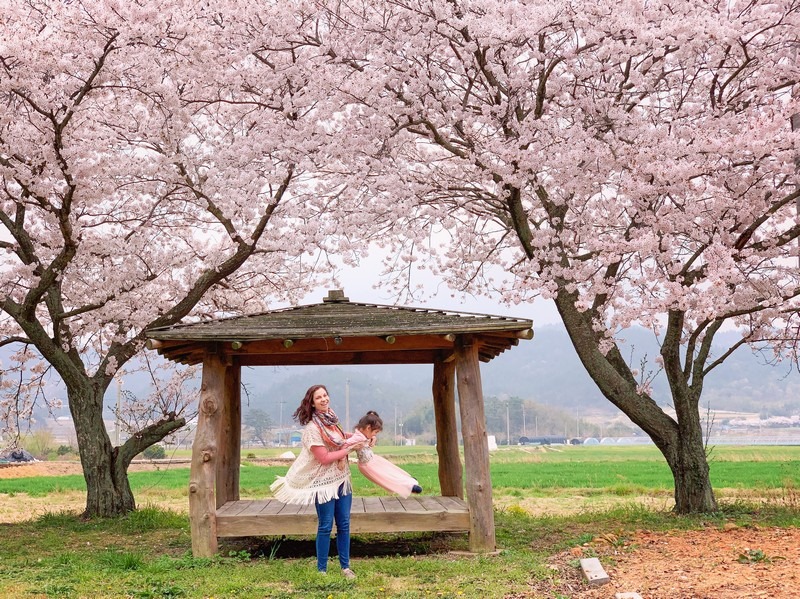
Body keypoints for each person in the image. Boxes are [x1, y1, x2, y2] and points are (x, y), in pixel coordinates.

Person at [270, 384, 364, 578]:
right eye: (319, 397)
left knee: (344, 524)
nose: (324, 399)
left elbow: (342, 438)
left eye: (325, 395)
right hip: (323, 484)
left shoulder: (332, 421)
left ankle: (345, 567)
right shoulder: (312, 429)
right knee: (325, 525)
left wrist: (362, 438)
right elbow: (324, 458)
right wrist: (348, 450)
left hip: (342, 479)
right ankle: (322, 570)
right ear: (312, 403)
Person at [344, 411, 423, 499]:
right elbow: (345, 444)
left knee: (390, 471)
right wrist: (342, 456)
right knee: (386, 477)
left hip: (372, 460)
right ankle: (407, 486)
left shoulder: (362, 434)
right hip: (367, 465)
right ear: (368, 428)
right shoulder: (358, 437)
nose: (375, 435)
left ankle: (408, 481)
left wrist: (371, 438)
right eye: (375, 432)